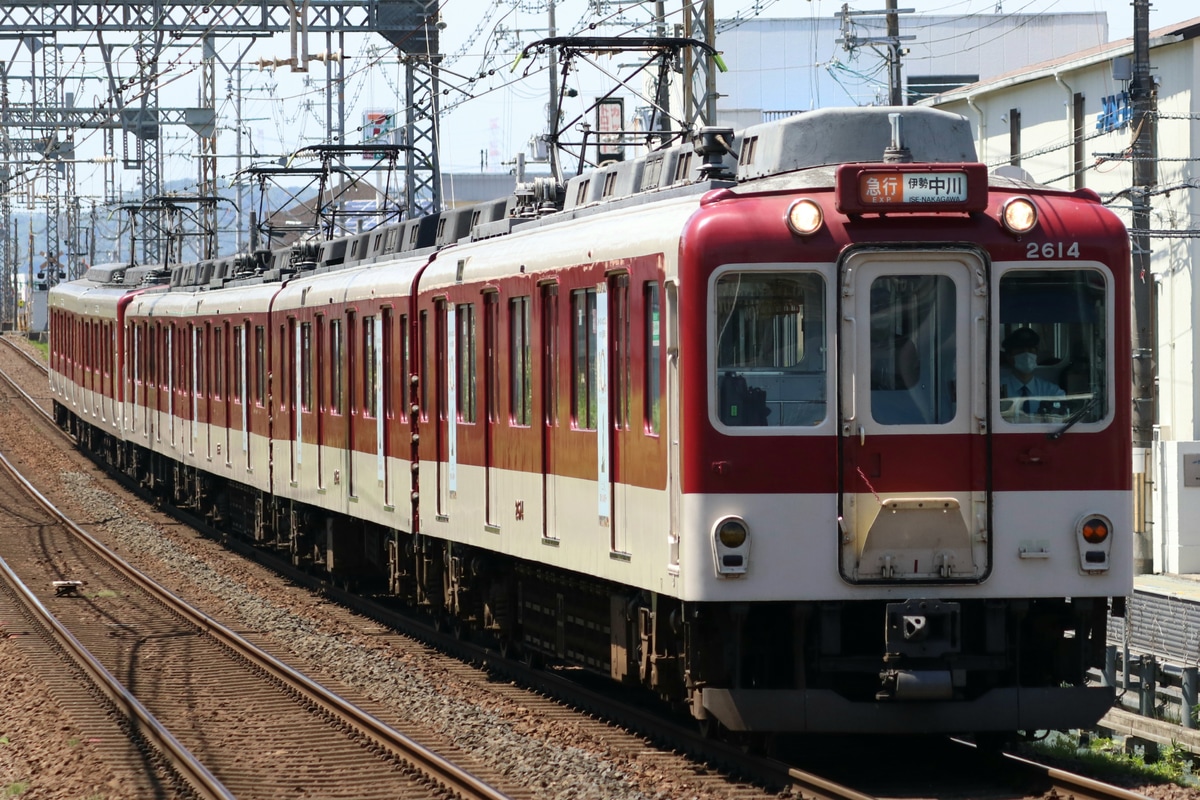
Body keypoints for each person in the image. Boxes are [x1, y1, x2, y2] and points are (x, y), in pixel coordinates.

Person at [999, 327, 1065, 419]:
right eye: (1021, 350)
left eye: (1031, 350)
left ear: (1037, 356)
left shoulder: (1052, 392)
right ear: (1009, 357)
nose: (1027, 355)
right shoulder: (997, 390)